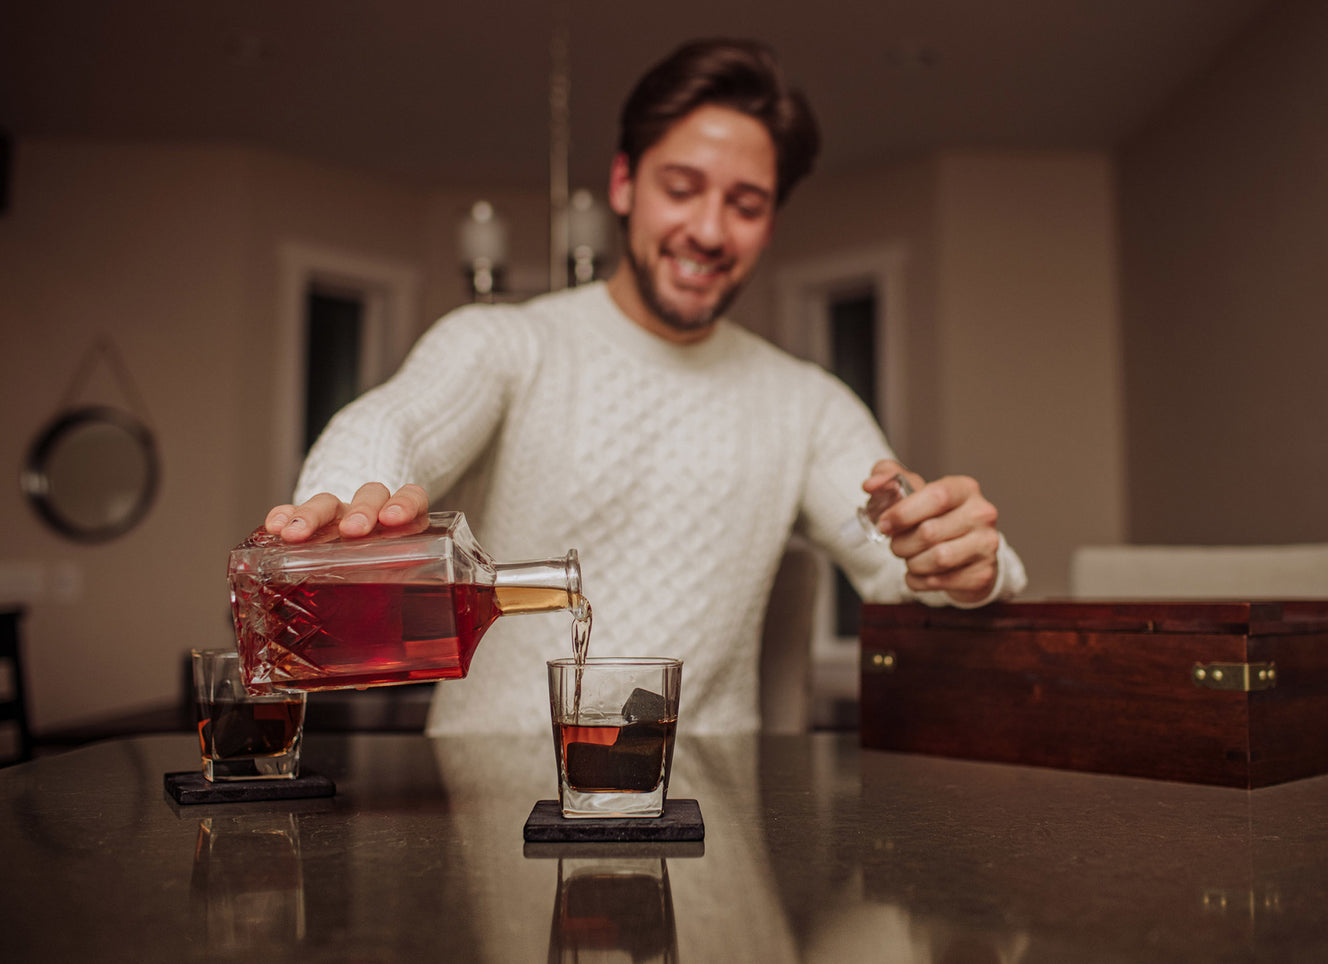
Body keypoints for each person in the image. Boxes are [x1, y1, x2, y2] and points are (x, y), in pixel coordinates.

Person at [265, 38, 1027, 734]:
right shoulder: (505, 340)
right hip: (485, 809)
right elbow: (396, 423)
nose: (708, 229)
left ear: (769, 222)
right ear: (625, 183)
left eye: (745, 204)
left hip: (713, 826)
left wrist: (963, 564)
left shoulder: (808, 403)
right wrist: (346, 502)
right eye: (682, 187)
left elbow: (899, 569)